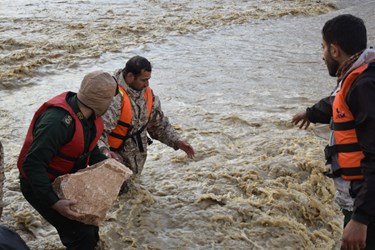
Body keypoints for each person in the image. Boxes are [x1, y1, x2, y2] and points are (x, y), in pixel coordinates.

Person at [292, 14, 375, 249]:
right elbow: (337, 103)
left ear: (335, 50)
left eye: (323, 47)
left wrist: (361, 218)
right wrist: (311, 113)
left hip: (367, 206)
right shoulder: (361, 75)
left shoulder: (364, 86)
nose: (322, 55)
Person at [17, 71, 117, 250]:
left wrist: (113, 172)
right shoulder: (58, 123)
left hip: (65, 181)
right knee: (80, 234)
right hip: (38, 183)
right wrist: (54, 202)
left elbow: (90, 150)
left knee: (91, 226)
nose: (112, 104)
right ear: (101, 101)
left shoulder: (88, 117)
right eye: (110, 99)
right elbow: (31, 165)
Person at [98, 56, 195, 192]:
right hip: (114, 163)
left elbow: (158, 124)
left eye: (148, 79)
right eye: (144, 80)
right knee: (118, 203)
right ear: (130, 76)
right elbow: (97, 132)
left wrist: (177, 141)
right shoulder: (113, 97)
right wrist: (104, 151)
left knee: (135, 201)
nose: (147, 84)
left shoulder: (147, 94)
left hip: (136, 163)